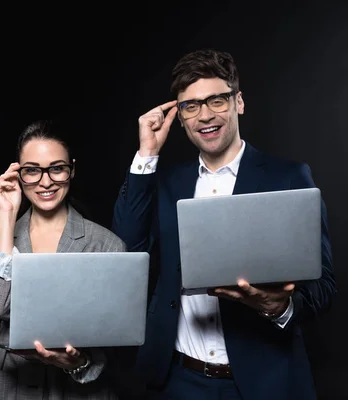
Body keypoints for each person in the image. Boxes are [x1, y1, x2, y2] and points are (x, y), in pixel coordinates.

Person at [111, 49, 336, 400]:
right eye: (191, 106)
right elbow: (127, 249)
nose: (205, 115)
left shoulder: (289, 177)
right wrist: (147, 155)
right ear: (181, 118)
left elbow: (323, 282)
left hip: (265, 382)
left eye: (216, 100)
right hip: (178, 380)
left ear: (238, 103)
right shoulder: (167, 183)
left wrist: (279, 307)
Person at [0, 120, 128, 399]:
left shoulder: (107, 245)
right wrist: (6, 216)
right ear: (18, 175)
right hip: (7, 386)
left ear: (72, 170)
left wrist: (79, 363)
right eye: (32, 171)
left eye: (57, 168)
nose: (46, 182)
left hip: (77, 388)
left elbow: (114, 340)